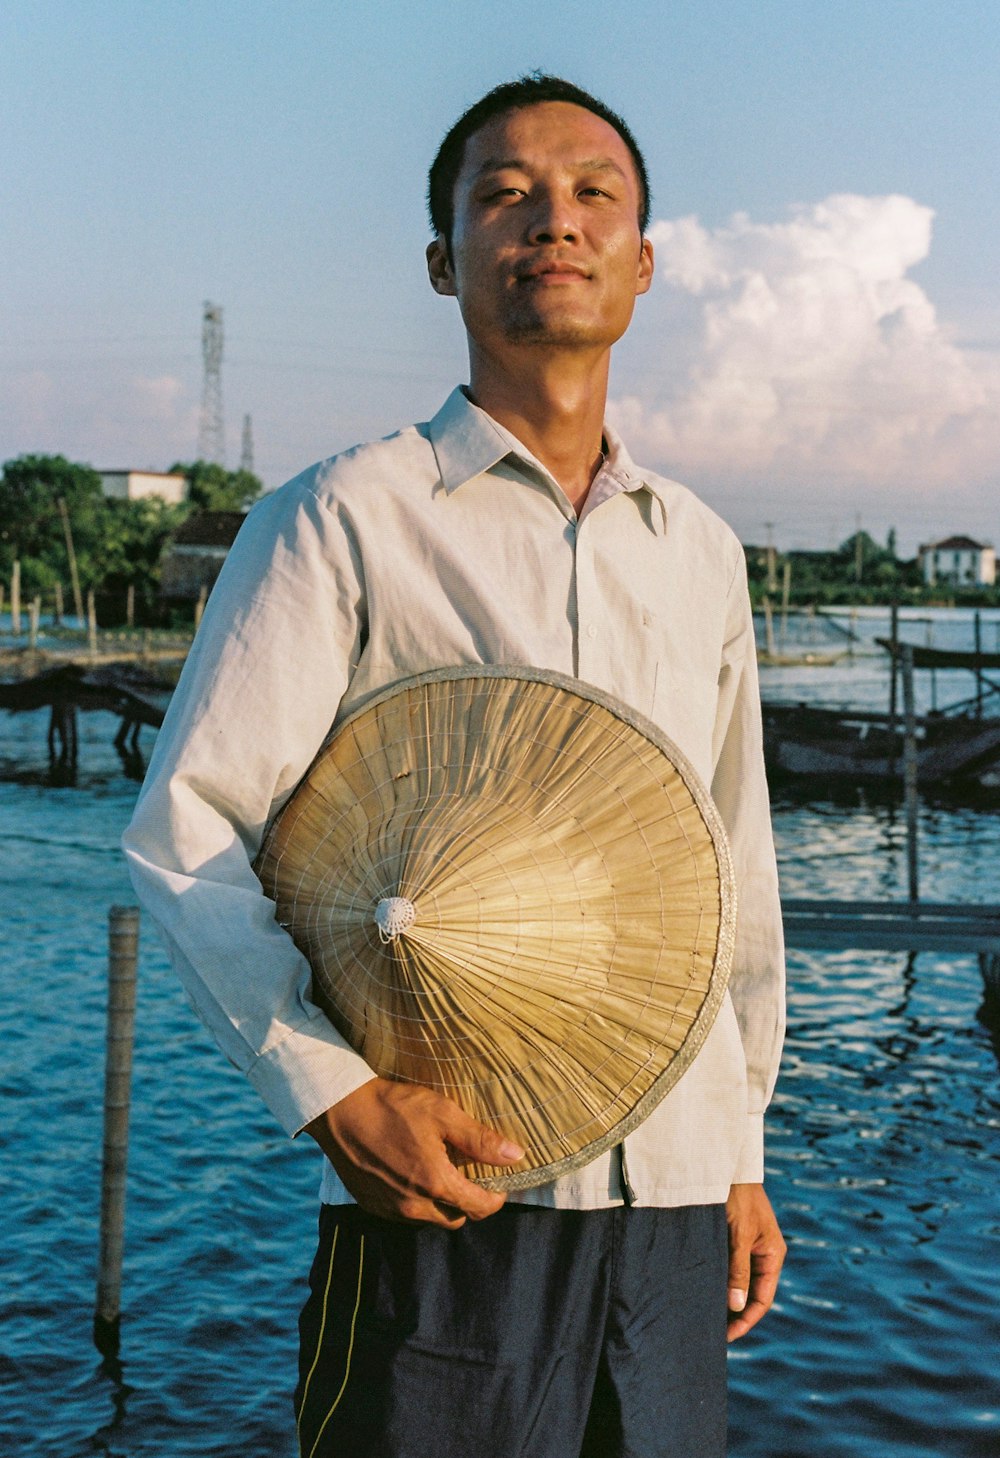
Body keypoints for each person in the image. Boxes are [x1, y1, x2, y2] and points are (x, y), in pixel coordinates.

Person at [124, 73, 786, 1458]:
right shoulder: (343, 520)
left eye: (595, 193)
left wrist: (740, 1149)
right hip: (444, 1189)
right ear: (444, 260)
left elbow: (733, 867)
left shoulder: (700, 547)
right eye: (506, 194)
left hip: (673, 1212)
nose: (556, 220)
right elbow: (188, 832)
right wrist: (334, 1094)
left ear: (646, 260)